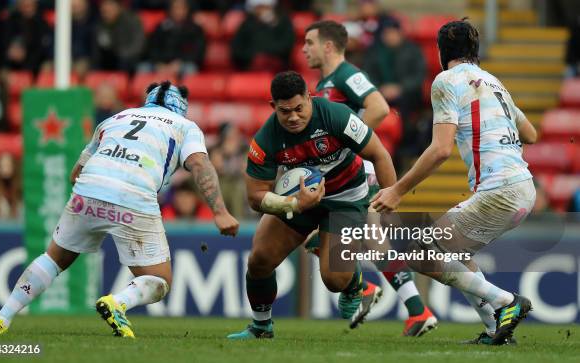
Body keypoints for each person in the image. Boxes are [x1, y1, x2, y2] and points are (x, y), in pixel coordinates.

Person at [0, 81, 239, 337]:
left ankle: (2, 317)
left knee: (54, 258)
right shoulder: (185, 126)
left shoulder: (116, 118)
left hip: (88, 191)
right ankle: (118, 302)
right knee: (161, 281)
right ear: (181, 107)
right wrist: (219, 211)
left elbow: (76, 173)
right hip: (135, 195)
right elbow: (199, 163)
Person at [372, 19, 538, 345]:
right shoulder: (494, 83)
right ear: (475, 51)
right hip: (524, 188)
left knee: (419, 251)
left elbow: (440, 149)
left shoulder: (446, 81)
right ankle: (495, 331)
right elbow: (530, 134)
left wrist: (397, 189)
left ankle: (507, 302)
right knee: (456, 254)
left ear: (440, 52)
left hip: (500, 190)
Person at [227, 71, 396, 339]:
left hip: (347, 198)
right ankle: (261, 327)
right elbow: (255, 196)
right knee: (259, 260)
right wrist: (292, 203)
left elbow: (379, 154)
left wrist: (389, 202)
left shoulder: (335, 115)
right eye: (285, 112)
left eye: (299, 108)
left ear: (309, 97)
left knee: (334, 280)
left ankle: (354, 285)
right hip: (299, 201)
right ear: (273, 108)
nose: (293, 117)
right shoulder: (266, 138)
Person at [303, 20, 436, 335]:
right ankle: (415, 310)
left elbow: (378, 106)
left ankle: (367, 289)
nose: (304, 49)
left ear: (328, 45)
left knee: (354, 240)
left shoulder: (348, 75)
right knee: (370, 242)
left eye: (309, 42)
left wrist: (346, 145)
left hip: (357, 170)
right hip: (347, 171)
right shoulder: (326, 83)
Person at [364, 17, 426, 145]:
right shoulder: (374, 52)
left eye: (393, 33)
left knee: (404, 112)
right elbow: (367, 74)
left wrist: (400, 88)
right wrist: (380, 88)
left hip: (406, 95)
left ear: (400, 33)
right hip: (380, 93)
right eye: (387, 33)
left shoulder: (412, 50)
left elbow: (419, 75)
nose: (390, 37)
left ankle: (404, 144)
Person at [146, 0, 206, 78]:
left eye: (181, 8)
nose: (178, 11)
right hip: (161, 64)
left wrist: (179, 63)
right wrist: (158, 63)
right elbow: (152, 48)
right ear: (170, 10)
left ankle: (184, 90)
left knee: (191, 69)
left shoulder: (195, 29)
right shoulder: (161, 27)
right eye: (175, 8)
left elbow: (198, 53)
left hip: (183, 64)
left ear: (187, 10)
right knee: (143, 68)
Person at [231, 0, 295, 72]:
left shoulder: (283, 22)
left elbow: (287, 45)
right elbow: (237, 49)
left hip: (278, 69)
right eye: (258, 7)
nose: (261, 11)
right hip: (250, 69)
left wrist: (268, 55)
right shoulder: (246, 24)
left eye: (265, 7)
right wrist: (254, 57)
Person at [1, 0, 52, 73]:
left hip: (37, 64)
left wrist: (26, 54)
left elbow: (44, 47)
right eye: (23, 2)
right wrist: (10, 50)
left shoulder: (43, 20)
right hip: (13, 65)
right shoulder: (12, 19)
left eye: (29, 2)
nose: (26, 3)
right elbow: (4, 42)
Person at [93, 0, 145, 73]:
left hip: (130, 60)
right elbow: (97, 48)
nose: (105, 8)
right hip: (108, 61)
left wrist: (120, 54)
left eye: (110, 5)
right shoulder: (100, 24)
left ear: (118, 7)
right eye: (103, 7)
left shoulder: (132, 20)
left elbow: (138, 45)